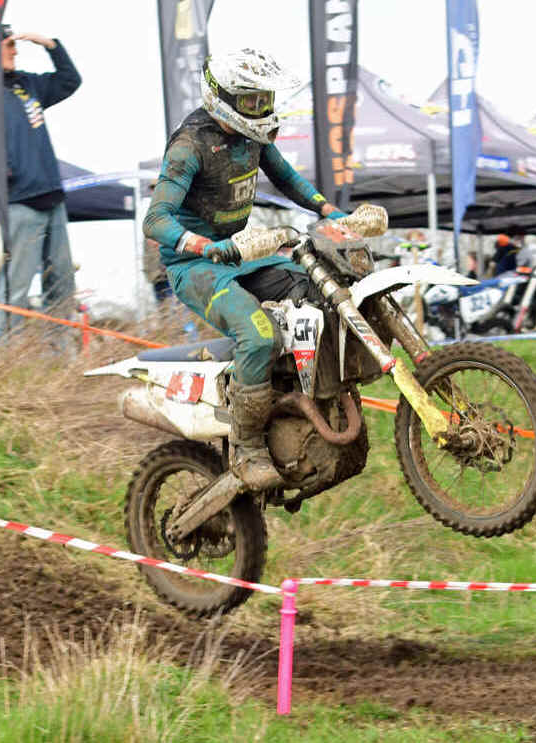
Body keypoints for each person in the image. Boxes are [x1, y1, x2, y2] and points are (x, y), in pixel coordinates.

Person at [143, 48, 348, 491]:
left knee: (318, 291)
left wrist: (328, 210)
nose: (263, 108)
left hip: (238, 255)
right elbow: (155, 220)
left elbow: (287, 178)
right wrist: (203, 245)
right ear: (223, 97)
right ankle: (248, 446)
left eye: (265, 99)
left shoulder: (252, 137)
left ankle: (299, 408)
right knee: (258, 335)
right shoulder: (190, 146)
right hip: (195, 265)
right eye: (253, 101)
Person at [0, 24, 81, 343]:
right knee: (16, 288)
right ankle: (11, 358)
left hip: (52, 197)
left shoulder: (26, 84)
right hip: (19, 203)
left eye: (14, 44)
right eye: (8, 45)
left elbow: (69, 81)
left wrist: (51, 45)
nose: (15, 50)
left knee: (62, 284)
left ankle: (61, 355)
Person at [143, 238, 172, 303]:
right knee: (162, 303)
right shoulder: (147, 238)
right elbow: (146, 259)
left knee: (172, 301)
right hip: (156, 277)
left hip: (167, 275)